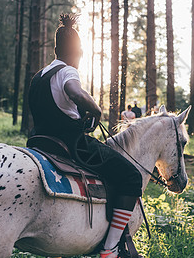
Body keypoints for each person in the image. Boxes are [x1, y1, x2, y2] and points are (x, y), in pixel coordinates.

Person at [28, 14, 142, 258]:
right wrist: (95, 109)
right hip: (70, 144)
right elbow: (74, 92)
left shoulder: (39, 76)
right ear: (77, 52)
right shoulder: (68, 71)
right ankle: (110, 248)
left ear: (55, 49)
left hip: (38, 141)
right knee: (131, 176)